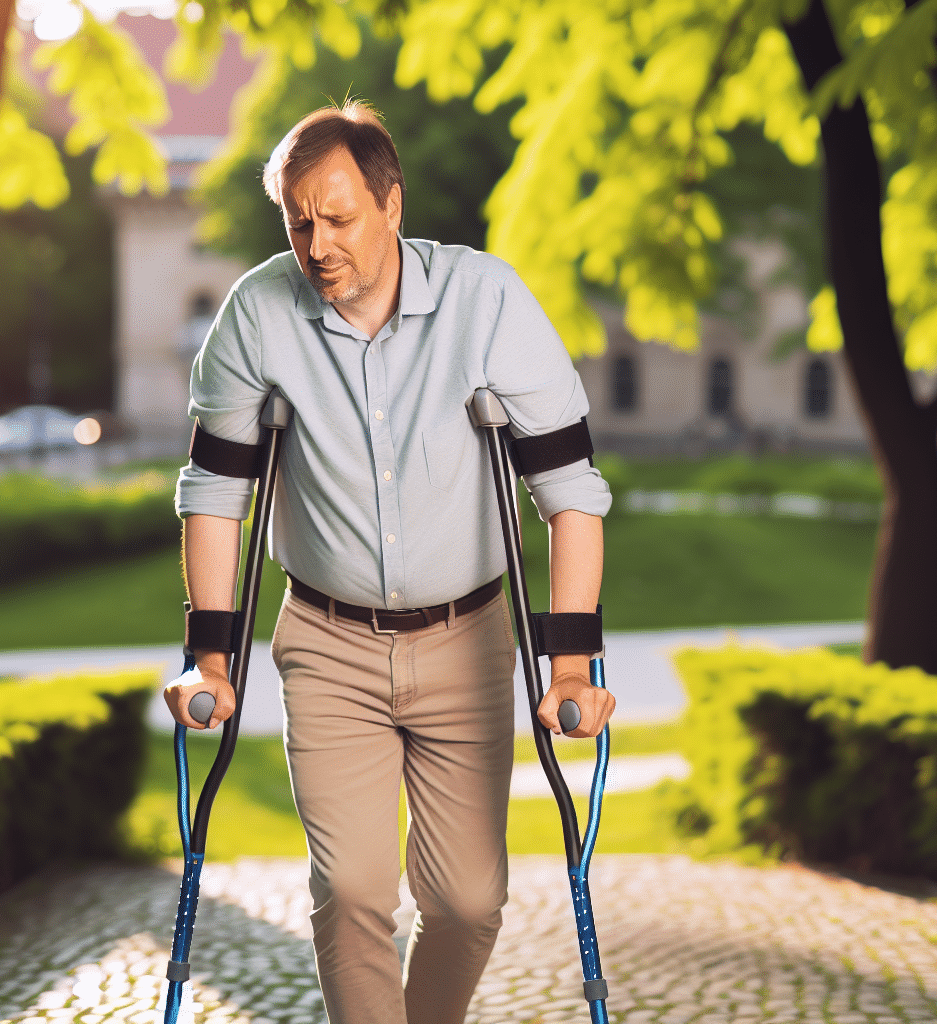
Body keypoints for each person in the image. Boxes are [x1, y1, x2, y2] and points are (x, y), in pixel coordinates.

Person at [164, 101, 616, 1024]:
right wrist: (210, 657)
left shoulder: (487, 302)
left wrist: (570, 664)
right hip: (329, 646)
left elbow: (571, 492)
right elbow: (217, 496)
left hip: (468, 641)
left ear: (391, 203)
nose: (316, 243)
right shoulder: (256, 315)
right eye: (298, 221)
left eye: (338, 217)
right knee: (356, 890)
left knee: (467, 901)